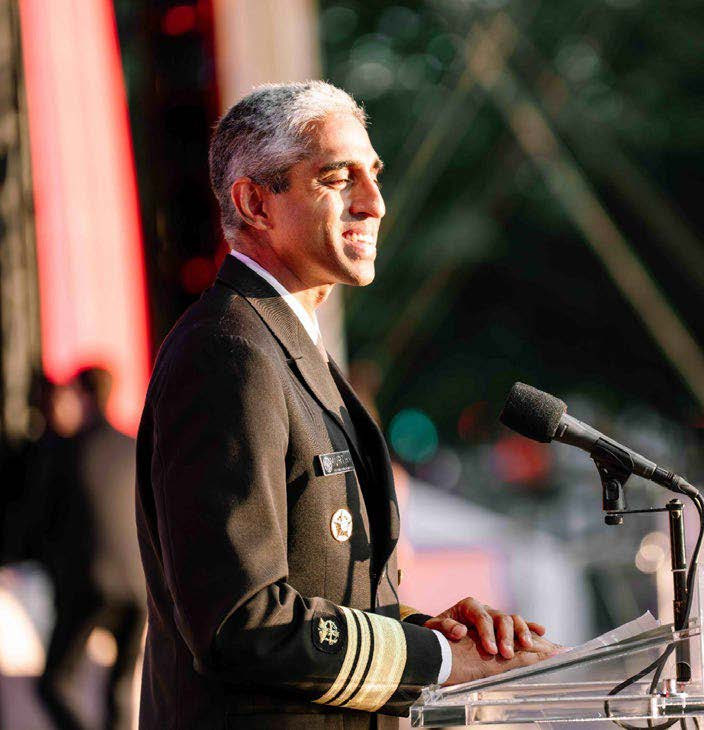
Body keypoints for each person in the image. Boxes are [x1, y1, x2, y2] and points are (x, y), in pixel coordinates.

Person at [135, 81, 558, 729]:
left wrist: (437, 631)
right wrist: (441, 661)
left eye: (374, 174)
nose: (375, 203)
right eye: (337, 178)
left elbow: (321, 592)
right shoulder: (229, 351)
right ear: (255, 203)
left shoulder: (283, 340)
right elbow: (240, 623)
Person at [33, 368, 146, 730]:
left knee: (54, 682)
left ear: (81, 396)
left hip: (88, 583)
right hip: (137, 587)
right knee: (121, 688)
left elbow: (43, 523)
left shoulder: (67, 451)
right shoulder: (134, 448)